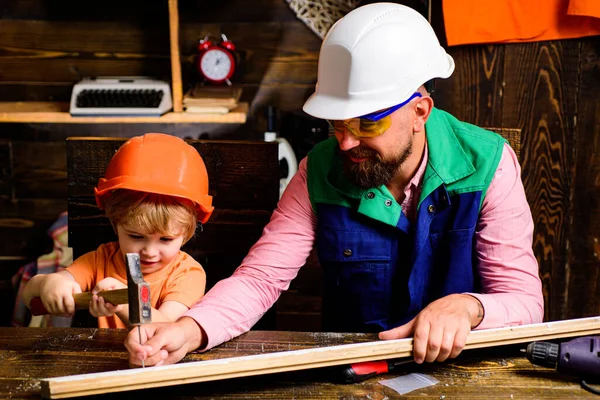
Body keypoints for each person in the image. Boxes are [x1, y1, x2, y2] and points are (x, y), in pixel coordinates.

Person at [125, 3, 543, 366]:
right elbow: (260, 279)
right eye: (336, 123)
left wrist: (468, 307)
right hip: (350, 371)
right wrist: (191, 329)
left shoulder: (489, 164)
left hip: (464, 369)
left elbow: (525, 302)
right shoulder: (319, 169)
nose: (345, 141)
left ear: (420, 111)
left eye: (367, 122)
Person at [23, 133, 214, 329]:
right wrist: (49, 284)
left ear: (186, 234)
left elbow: (165, 329)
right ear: (116, 224)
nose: (149, 251)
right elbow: (29, 295)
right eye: (136, 236)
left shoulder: (188, 274)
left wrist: (122, 301)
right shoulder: (100, 260)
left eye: (165, 239)